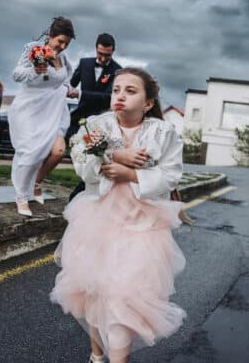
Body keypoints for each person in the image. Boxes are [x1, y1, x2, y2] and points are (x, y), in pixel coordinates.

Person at [50, 67, 186, 363]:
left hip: (142, 227)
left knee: (123, 296)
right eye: (117, 90)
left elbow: (170, 176)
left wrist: (131, 173)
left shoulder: (163, 133)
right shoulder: (95, 126)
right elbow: (82, 168)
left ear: (148, 103)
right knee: (96, 292)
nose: (120, 96)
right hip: (97, 222)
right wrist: (113, 156)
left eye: (130, 91)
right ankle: (97, 355)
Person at [9, 16, 76, 216]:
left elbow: (64, 79)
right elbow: (17, 74)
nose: (63, 46)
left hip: (55, 110)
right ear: (50, 36)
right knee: (30, 152)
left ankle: (37, 182)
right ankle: (21, 195)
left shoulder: (63, 59)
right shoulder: (34, 49)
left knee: (58, 151)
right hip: (31, 109)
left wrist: (68, 88)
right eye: (60, 41)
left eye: (67, 43)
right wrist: (36, 71)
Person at [66, 33, 122, 201]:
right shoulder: (84, 63)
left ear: (113, 52)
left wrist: (81, 93)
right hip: (78, 119)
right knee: (77, 155)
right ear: (96, 49)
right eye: (100, 54)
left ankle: (81, 191)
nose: (103, 58)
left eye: (107, 55)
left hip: (100, 123)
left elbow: (108, 97)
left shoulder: (117, 70)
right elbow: (70, 84)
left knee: (94, 158)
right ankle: (86, 187)